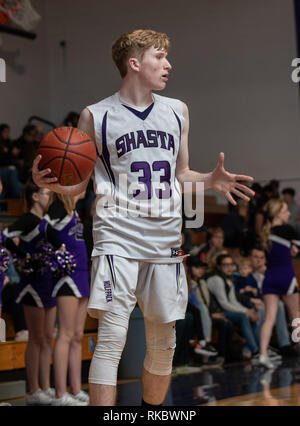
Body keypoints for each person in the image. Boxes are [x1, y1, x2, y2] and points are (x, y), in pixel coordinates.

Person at [32, 29, 254, 406]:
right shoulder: (96, 116)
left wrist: (209, 180)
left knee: (163, 344)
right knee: (112, 338)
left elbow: (181, 175)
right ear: (134, 63)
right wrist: (51, 184)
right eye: (159, 56)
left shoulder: (177, 110)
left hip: (165, 240)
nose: (167, 65)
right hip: (116, 235)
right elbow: (80, 186)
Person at [2, 179, 62, 405]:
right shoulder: (28, 220)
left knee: (47, 338)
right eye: (46, 194)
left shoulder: (45, 223)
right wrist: (21, 257)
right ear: (35, 197)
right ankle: (33, 390)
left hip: (48, 282)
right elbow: (6, 236)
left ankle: (45, 388)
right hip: (31, 284)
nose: (49, 198)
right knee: (36, 339)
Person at [45, 193, 90, 406]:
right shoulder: (58, 207)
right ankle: (59, 394)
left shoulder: (75, 211)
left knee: (78, 335)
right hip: (67, 276)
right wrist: (58, 248)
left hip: (82, 275)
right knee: (65, 334)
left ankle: (76, 389)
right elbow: (42, 228)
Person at [259, 199, 300, 368]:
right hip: (286, 276)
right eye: (285, 210)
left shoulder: (265, 232)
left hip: (270, 277)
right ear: (278, 213)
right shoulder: (289, 229)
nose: (289, 213)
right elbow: (295, 250)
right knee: (296, 316)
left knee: (269, 318)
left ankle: (262, 354)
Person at [206, 254, 263, 359]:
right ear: (219, 266)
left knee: (252, 314)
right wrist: (245, 312)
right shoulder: (216, 279)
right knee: (244, 316)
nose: (229, 267)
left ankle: (260, 349)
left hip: (225, 309)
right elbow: (224, 304)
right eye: (225, 265)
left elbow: (233, 300)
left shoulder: (228, 278)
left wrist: (248, 310)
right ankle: (255, 351)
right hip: (216, 312)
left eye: (231, 264)